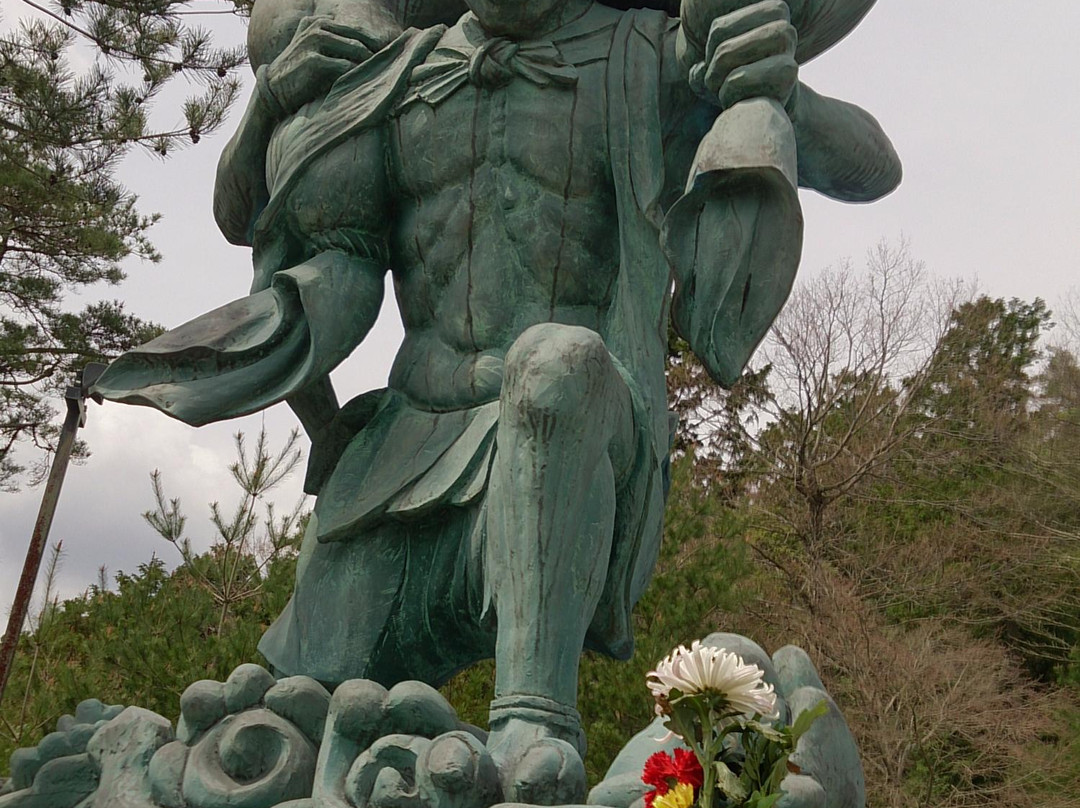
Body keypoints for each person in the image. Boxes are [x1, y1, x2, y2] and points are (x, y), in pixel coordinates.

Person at [93, 0, 899, 799]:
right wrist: (272, 357)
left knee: (551, 363)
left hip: (580, 436)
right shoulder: (402, 78)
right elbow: (311, 243)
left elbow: (870, 166)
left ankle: (533, 721)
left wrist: (781, 90)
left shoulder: (646, 56)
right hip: (407, 448)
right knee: (302, 711)